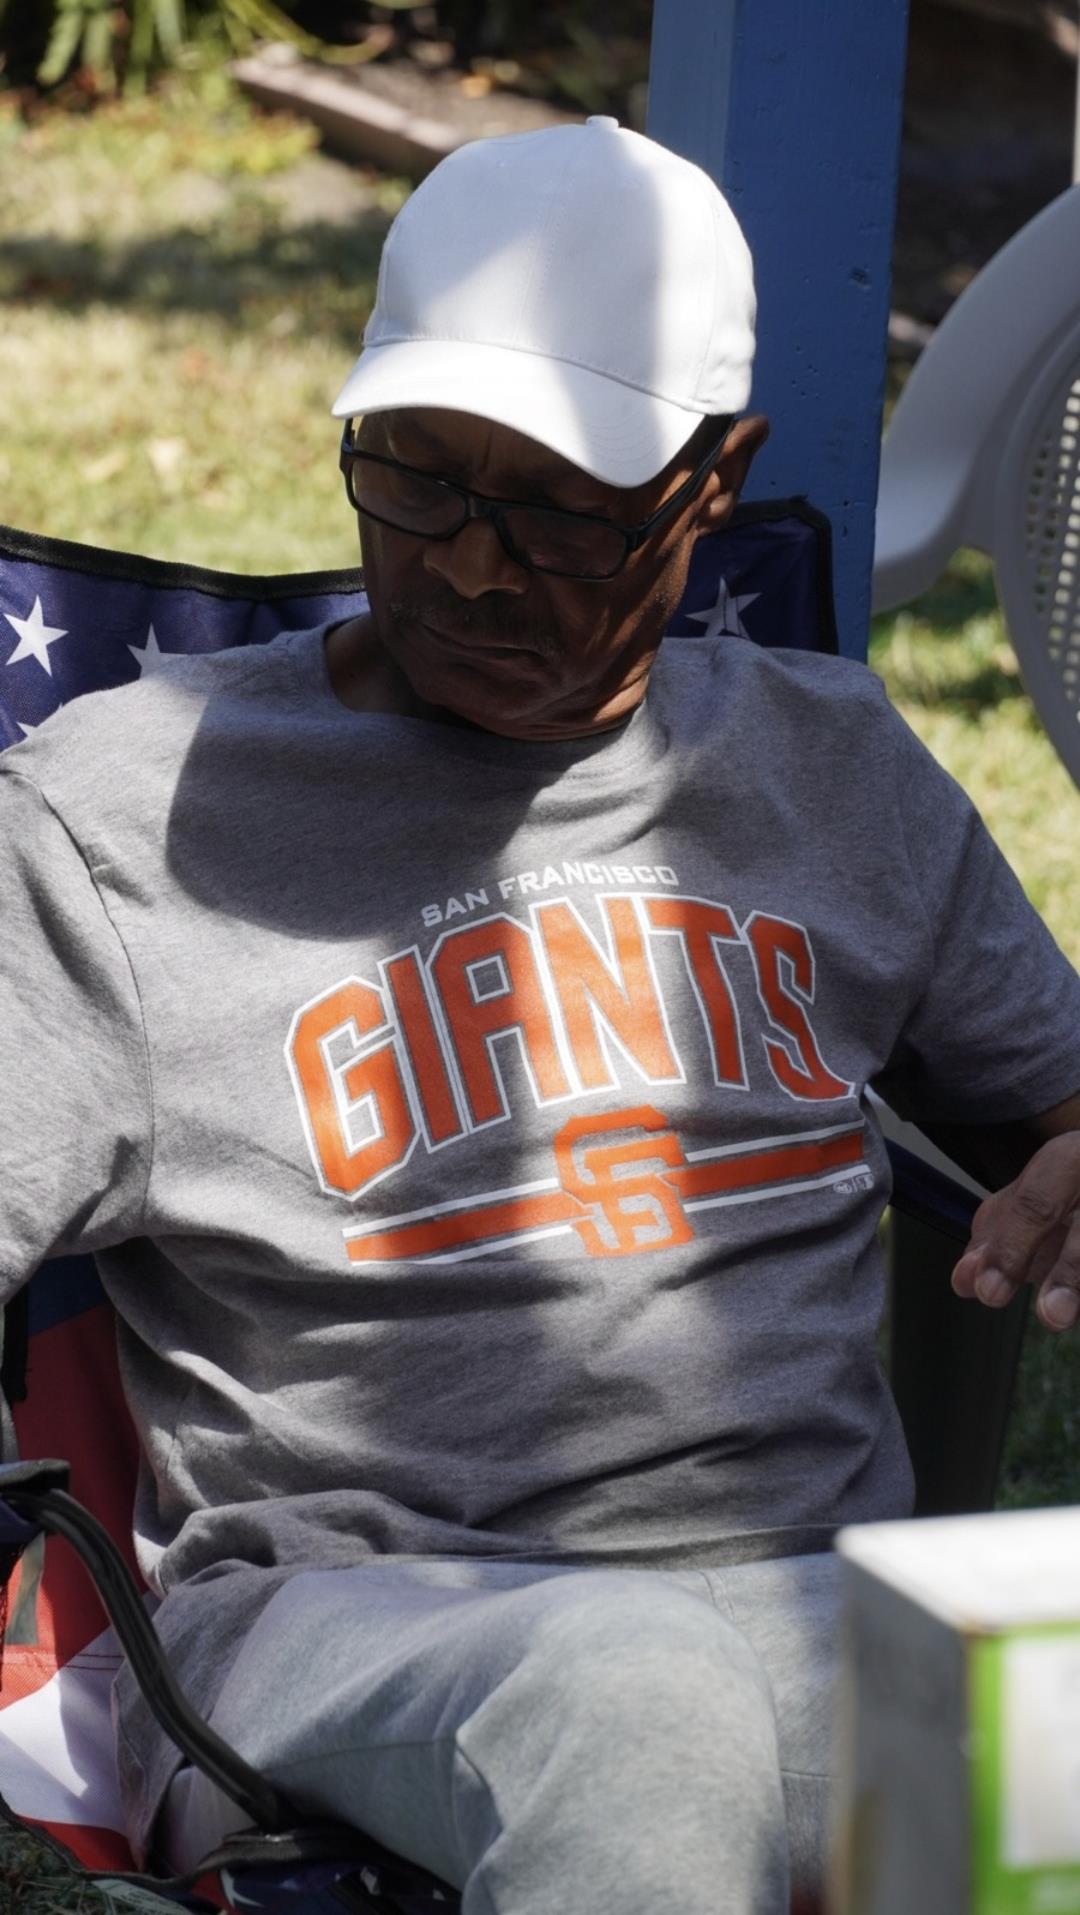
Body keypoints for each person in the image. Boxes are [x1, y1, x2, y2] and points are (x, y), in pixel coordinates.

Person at [1, 117, 1079, 1915]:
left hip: (833, 1596)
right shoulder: (120, 818)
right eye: (416, 479)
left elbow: (1059, 1105)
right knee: (637, 1702)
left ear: (712, 483)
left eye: (566, 511)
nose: (476, 568)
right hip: (358, 1625)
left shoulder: (832, 768)